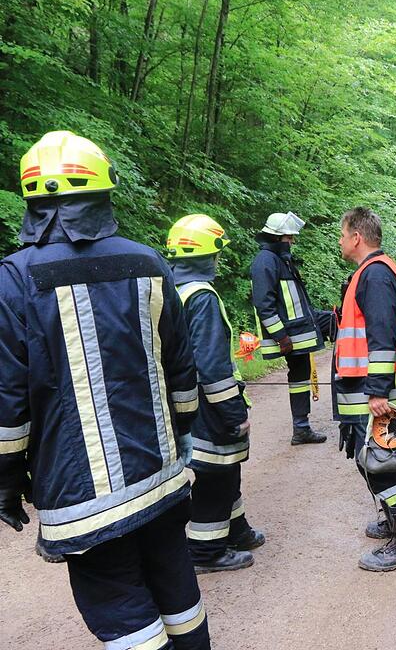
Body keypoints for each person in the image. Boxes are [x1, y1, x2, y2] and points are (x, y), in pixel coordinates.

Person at [0, 131, 211, 649]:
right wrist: (181, 435)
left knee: (120, 608)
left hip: (82, 495)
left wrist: (5, 482)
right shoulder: (148, 264)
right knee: (177, 587)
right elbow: (182, 374)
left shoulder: (13, 279)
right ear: (102, 191)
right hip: (162, 476)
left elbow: (8, 403)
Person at [166, 214, 264, 574]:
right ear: (211, 254)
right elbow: (213, 367)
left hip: (183, 400)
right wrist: (235, 415)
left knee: (225, 471)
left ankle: (236, 531)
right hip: (208, 405)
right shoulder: (202, 297)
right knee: (215, 475)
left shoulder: (172, 290)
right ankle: (207, 552)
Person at [334, 206, 396, 572]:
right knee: (390, 458)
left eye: (342, 235)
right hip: (373, 388)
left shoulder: (374, 275)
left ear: (357, 237)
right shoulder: (375, 272)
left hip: (375, 391)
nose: (340, 241)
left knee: (382, 464)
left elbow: (382, 336)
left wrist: (377, 391)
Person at [249, 212, 333, 444]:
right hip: (289, 335)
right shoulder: (266, 261)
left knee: (300, 376)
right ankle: (301, 427)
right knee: (298, 375)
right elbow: (264, 305)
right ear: (277, 238)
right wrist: (280, 336)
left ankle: (301, 428)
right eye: (289, 238)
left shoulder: (280, 260)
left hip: (298, 330)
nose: (292, 242)